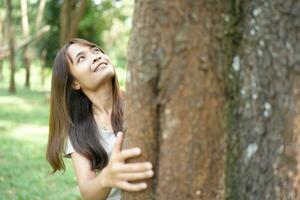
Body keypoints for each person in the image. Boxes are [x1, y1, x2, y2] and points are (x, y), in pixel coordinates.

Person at [46, 38, 154, 200]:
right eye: (81, 58)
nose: (96, 57)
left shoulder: (138, 104)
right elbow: (88, 193)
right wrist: (106, 177)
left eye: (96, 51)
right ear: (74, 83)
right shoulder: (78, 131)